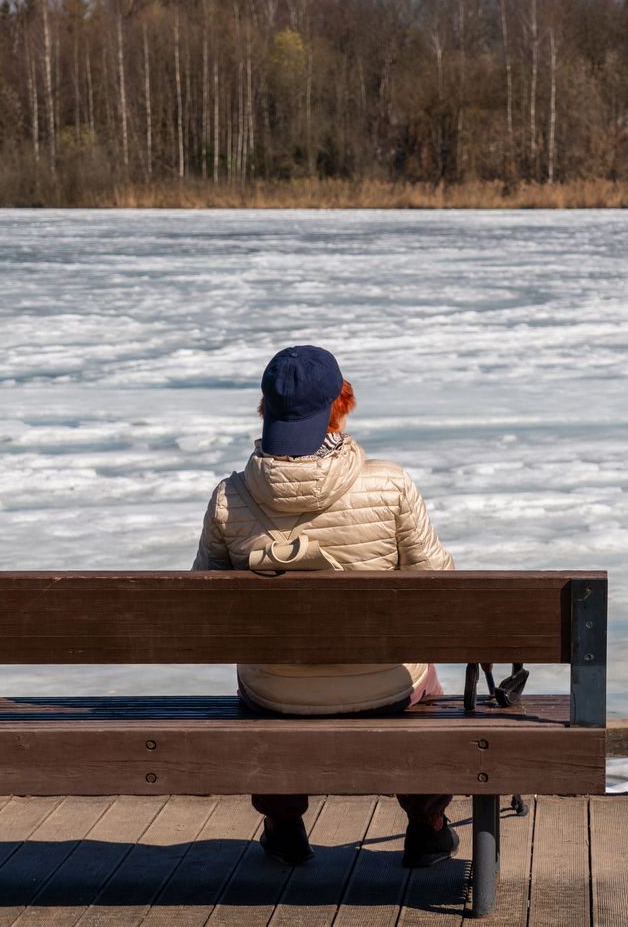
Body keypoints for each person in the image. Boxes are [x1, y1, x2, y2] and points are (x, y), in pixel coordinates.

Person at [192, 345, 459, 869]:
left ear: (264, 408)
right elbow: (439, 590)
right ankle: (427, 823)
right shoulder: (390, 484)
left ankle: (283, 824)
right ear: (344, 402)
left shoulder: (230, 496)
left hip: (275, 693)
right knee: (425, 681)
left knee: (267, 680)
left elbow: (205, 607)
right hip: (386, 687)